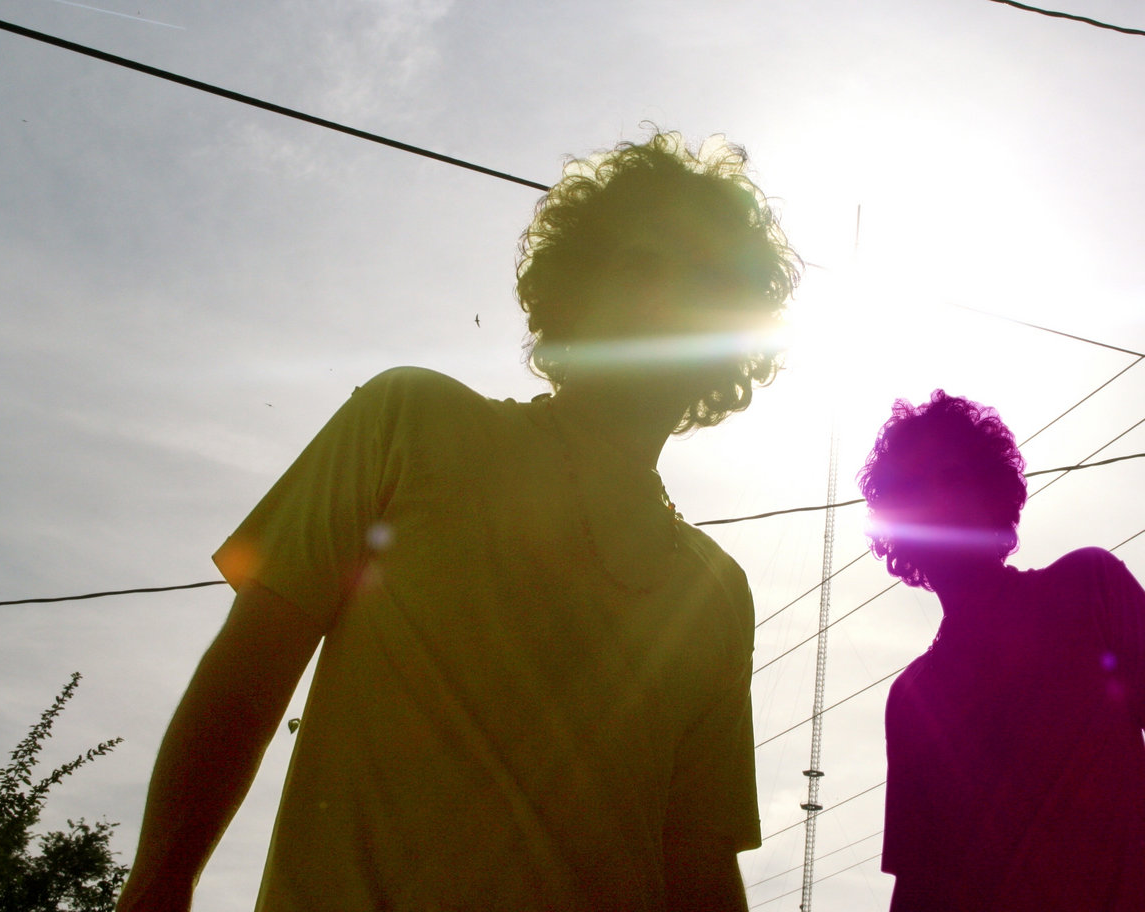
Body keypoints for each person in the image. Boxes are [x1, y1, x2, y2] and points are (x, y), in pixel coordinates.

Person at [115, 129, 801, 912]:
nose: (672, 299)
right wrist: (158, 883)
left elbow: (699, 860)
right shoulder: (410, 422)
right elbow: (251, 668)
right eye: (643, 264)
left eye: (707, 282)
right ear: (574, 291)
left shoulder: (716, 591)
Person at [858, 390, 1145, 911]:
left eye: (952, 477)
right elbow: (919, 884)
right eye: (913, 489)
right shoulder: (912, 697)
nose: (936, 501)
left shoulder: (1089, 588)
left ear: (992, 494)